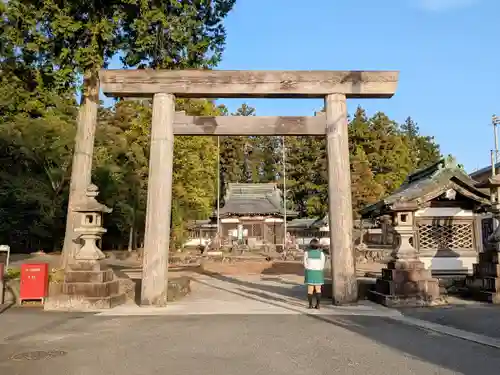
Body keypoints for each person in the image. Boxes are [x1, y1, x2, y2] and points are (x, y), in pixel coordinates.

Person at [303, 238, 326, 309]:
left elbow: (305, 264)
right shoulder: (321, 254)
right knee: (318, 289)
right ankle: (318, 305)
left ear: (310, 245)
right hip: (318, 272)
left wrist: (309, 268)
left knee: (310, 289)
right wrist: (319, 269)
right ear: (318, 245)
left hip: (310, 272)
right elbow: (322, 264)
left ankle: (310, 305)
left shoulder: (306, 253)